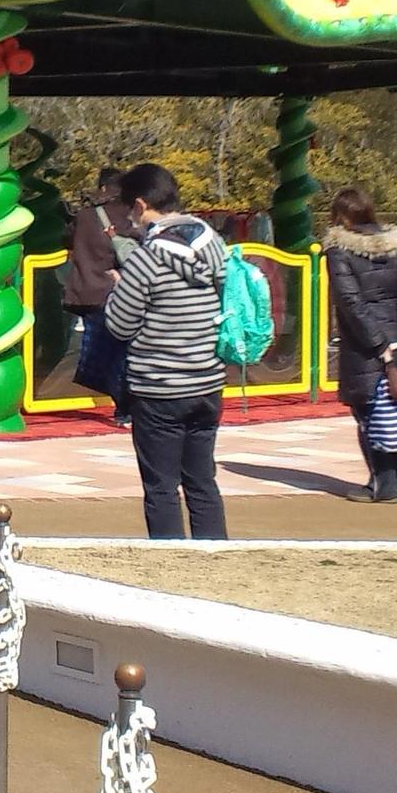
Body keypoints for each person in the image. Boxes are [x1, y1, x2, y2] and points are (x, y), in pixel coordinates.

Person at [103, 163, 228, 539]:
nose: (129, 218)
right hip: (208, 380)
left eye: (129, 209)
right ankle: (219, 557)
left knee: (161, 487)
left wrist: (120, 288)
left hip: (159, 386)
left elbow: (119, 325)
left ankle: (172, 564)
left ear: (141, 205)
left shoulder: (146, 257)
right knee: (202, 481)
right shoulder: (214, 243)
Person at [321, 186, 397, 503]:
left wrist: (378, 344)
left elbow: (351, 301)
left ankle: (381, 484)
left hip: (365, 346)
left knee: (369, 415)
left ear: (341, 216)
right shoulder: (395, 245)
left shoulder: (339, 250)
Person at [65, 166, 130, 423]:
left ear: (102, 187)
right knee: (124, 351)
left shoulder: (84, 216)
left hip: (90, 292)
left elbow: (67, 239)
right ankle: (127, 407)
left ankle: (124, 406)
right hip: (123, 292)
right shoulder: (129, 216)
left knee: (101, 352)